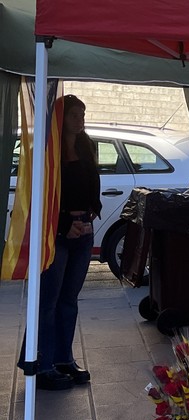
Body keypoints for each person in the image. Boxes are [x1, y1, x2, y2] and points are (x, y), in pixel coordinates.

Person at [19, 94, 101, 390]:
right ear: (60, 118)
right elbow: (41, 194)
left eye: (83, 114)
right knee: (48, 301)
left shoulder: (87, 145)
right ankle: (42, 363)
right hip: (57, 233)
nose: (80, 120)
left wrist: (93, 210)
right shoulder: (45, 149)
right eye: (74, 115)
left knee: (70, 299)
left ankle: (64, 357)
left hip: (84, 228)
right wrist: (66, 224)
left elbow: (93, 181)